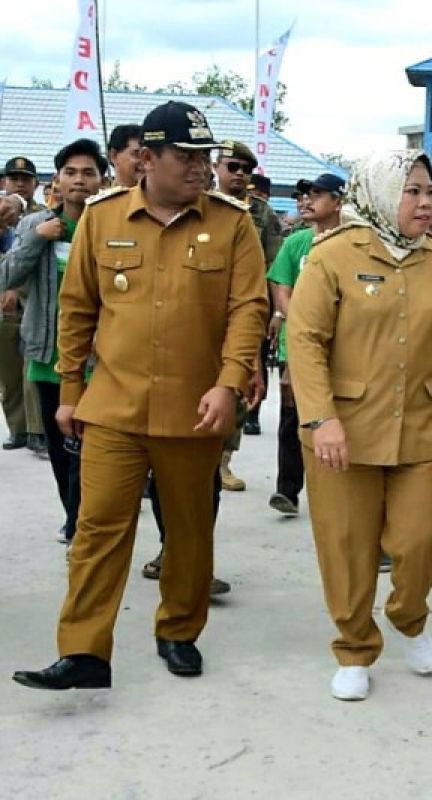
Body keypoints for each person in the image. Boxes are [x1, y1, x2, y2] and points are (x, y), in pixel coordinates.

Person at [11, 101, 268, 691]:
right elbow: (77, 309)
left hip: (195, 410)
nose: (201, 168)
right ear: (147, 159)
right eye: (187, 157)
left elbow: (247, 310)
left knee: (188, 530)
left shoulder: (232, 224)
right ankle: (83, 653)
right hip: (114, 409)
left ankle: (178, 630)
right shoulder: (102, 218)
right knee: (98, 529)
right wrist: (70, 391)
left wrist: (230, 384)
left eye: (206, 158)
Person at [287, 149, 432, 701]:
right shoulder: (332, 255)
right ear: (378, 194)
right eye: (412, 191)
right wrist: (321, 417)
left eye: (429, 191)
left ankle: (408, 614)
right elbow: (304, 341)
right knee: (346, 544)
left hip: (419, 424)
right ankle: (353, 647)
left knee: (421, 538)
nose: (427, 203)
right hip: (342, 430)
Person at [0, 139, 106, 545]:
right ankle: (73, 516)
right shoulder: (36, 225)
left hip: (99, 360)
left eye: (88, 172)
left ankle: (85, 520)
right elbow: (6, 276)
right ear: (56, 180)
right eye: (71, 172)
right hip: (47, 355)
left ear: (102, 179)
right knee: (62, 449)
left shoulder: (110, 226)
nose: (79, 180)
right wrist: (37, 238)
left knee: (91, 446)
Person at [265, 172, 346, 518]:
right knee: (293, 416)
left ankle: (338, 490)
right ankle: (287, 489)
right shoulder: (296, 243)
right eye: (305, 195)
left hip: (344, 347)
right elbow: (281, 286)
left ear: (339, 201)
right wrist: (297, 322)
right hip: (297, 344)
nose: (308, 201)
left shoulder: (354, 243)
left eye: (318, 194)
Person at [214, 140, 280, 447]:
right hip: (204, 308)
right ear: (216, 167)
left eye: (246, 169)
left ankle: (225, 457)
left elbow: (271, 269)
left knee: (239, 378)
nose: (240, 174)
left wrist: (274, 314)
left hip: (245, 307)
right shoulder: (199, 204)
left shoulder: (262, 214)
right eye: (233, 167)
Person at [1, 156, 47, 455]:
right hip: (2, 305)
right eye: (13, 177)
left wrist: (14, 288)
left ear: (36, 183)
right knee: (8, 372)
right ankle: (17, 428)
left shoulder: (44, 216)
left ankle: (36, 431)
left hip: (32, 301)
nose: (20, 183)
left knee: (33, 368)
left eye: (26, 178)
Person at [106, 125, 144, 189]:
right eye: (137, 154)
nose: (145, 161)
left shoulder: (162, 197)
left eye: (148, 155)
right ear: (114, 156)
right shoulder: (106, 198)